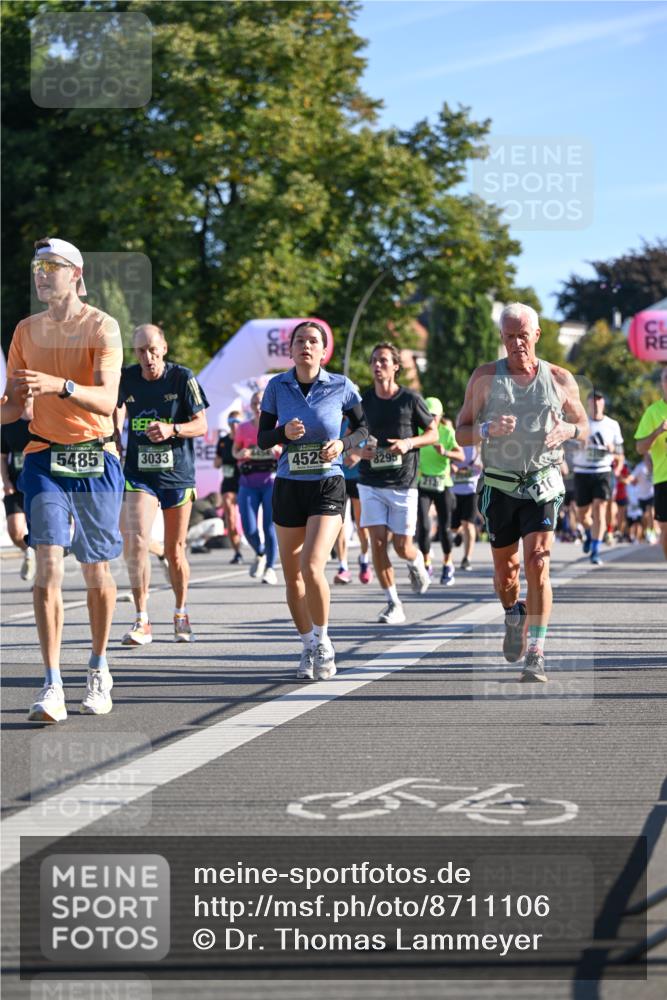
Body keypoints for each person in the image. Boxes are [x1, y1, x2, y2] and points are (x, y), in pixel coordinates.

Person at [3, 236, 124, 722]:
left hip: (95, 455)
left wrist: (62, 386)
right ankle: (52, 682)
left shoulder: (102, 326)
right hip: (44, 457)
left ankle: (98, 666)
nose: (41, 274)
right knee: (48, 562)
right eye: (37, 266)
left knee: (96, 570)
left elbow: (108, 399)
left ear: (76, 274)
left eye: (51, 266)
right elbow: (15, 405)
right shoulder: (25, 330)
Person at [456, 302, 588, 683]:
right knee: (506, 575)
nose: (516, 343)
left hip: (542, 483)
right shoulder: (484, 378)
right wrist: (486, 430)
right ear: (501, 337)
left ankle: (536, 652)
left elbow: (584, 426)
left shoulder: (560, 378)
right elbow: (461, 431)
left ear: (537, 335)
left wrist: (568, 430)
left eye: (523, 335)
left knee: (538, 563)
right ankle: (514, 613)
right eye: (509, 336)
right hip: (499, 486)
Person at [257, 320, 367, 680]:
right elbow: (262, 438)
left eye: (313, 341)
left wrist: (343, 444)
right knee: (293, 578)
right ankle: (306, 645)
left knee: (312, 565)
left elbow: (364, 429)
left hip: (327, 484)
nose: (306, 345)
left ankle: (323, 642)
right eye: (300, 341)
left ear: (323, 351)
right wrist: (282, 433)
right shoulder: (277, 386)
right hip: (289, 486)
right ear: (290, 351)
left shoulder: (341, 386)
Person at [115, 324, 209, 645]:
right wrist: (115, 435)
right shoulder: (127, 377)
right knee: (137, 541)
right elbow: (116, 407)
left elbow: (201, 424)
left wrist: (172, 430)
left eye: (153, 350)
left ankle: (181, 612)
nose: (148, 357)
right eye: (141, 351)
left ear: (164, 349)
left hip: (177, 475)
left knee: (174, 551)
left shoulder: (182, 378)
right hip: (139, 473)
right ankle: (142, 619)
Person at [357, 343, 438, 624]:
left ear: (395, 367)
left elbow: (432, 433)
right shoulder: (363, 401)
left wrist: (408, 443)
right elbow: (351, 435)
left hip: (403, 482)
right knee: (378, 543)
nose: (377, 365)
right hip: (370, 482)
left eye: (383, 360)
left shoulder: (410, 399)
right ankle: (393, 603)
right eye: (374, 361)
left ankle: (416, 562)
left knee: (403, 546)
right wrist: (358, 450)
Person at [232, 390, 280, 585]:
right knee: (249, 528)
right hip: (248, 482)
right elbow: (235, 450)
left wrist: (276, 449)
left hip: (271, 481)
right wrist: (240, 453)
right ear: (250, 406)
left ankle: (270, 568)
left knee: (269, 527)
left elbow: (286, 450)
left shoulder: (278, 426)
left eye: (262, 403)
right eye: (255, 403)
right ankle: (260, 552)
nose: (258, 407)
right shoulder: (243, 428)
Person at [571, 391, 624, 566]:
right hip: (582, 471)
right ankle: (588, 534)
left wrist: (614, 453)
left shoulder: (612, 425)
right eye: (592, 401)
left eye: (599, 400)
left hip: (603, 471)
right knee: (583, 515)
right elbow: (568, 448)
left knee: (600, 509)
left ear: (603, 403)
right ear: (588, 404)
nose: (596, 404)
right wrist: (580, 445)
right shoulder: (580, 422)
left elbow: (620, 453)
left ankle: (595, 550)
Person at [415, 398, 464, 586]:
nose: (431, 418)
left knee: (445, 527)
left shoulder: (447, 431)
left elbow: (460, 455)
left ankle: (447, 563)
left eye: (434, 415)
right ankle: (427, 563)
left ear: (441, 416)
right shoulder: (419, 431)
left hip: (443, 483)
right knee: (424, 525)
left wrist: (446, 453)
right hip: (423, 482)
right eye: (427, 415)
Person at [332, 417, 372, 585]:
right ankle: (343, 567)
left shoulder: (359, 421)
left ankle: (364, 560)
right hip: (338, 477)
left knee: (362, 525)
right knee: (339, 524)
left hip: (358, 478)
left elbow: (364, 449)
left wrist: (358, 452)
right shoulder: (333, 419)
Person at [1, 397, 36, 581]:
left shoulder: (43, 419)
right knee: (15, 531)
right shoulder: (9, 421)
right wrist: (5, 481)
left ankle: (42, 579)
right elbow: (2, 456)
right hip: (16, 485)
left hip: (40, 485)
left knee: (43, 535)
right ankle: (29, 551)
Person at [635, 366, 667, 560]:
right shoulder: (653, 412)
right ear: (662, 383)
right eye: (666, 378)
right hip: (663, 478)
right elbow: (640, 448)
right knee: (665, 529)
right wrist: (657, 432)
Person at [214, 411, 243, 563]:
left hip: (245, 481)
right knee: (230, 519)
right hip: (228, 482)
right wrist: (222, 460)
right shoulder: (223, 441)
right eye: (231, 421)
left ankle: (260, 550)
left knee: (247, 518)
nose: (234, 424)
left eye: (237, 421)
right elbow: (216, 463)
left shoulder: (245, 437)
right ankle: (237, 552)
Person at [451, 443, 483, 569]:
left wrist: (479, 465)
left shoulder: (477, 446)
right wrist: (450, 466)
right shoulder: (453, 443)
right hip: (454, 490)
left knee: (468, 524)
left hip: (471, 491)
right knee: (453, 527)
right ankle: (459, 533)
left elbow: (486, 465)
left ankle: (467, 558)